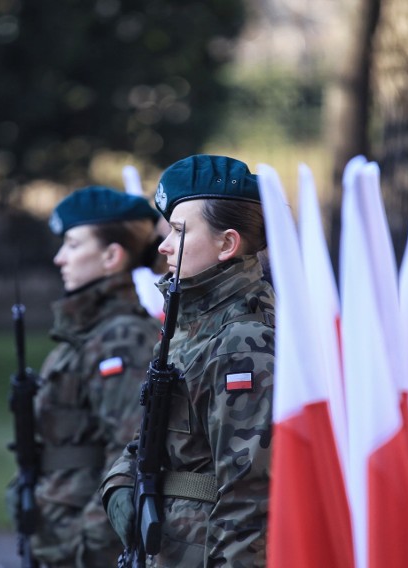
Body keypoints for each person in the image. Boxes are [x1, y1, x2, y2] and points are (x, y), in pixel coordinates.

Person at [100, 154, 276, 567]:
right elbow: (161, 434)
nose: (162, 245)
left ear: (227, 243)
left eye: (178, 231)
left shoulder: (243, 340)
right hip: (175, 548)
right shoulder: (196, 323)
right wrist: (122, 480)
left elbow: (248, 497)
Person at [7, 186, 164, 567]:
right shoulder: (86, 333)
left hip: (83, 544)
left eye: (74, 245)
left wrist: (89, 541)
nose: (61, 258)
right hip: (59, 529)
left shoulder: (120, 338)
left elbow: (129, 450)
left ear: (112, 255)